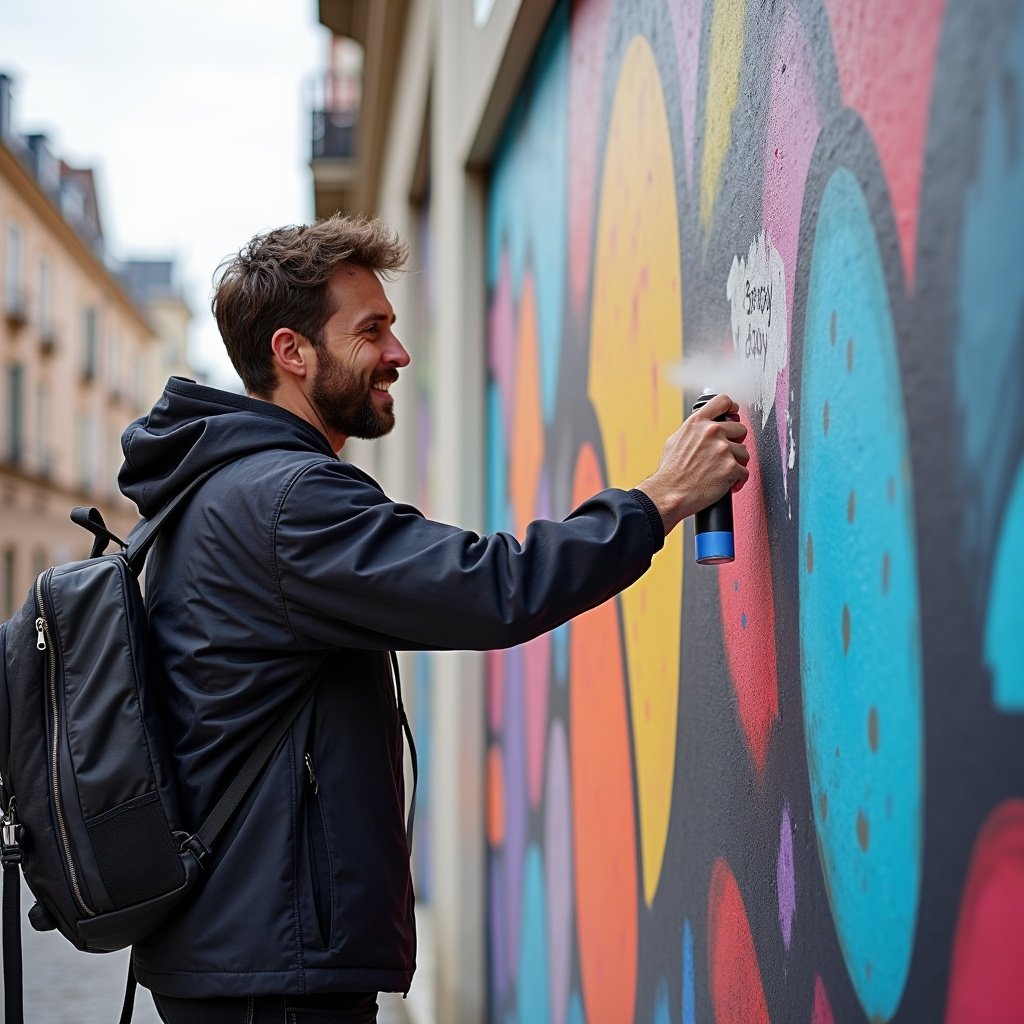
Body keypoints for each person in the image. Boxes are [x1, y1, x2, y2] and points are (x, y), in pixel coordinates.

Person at [118, 215, 748, 1024]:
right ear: (292, 353)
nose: (398, 352)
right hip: (269, 968)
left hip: (244, 947)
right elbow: (494, 587)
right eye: (370, 329)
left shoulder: (224, 490)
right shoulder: (286, 502)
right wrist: (660, 499)